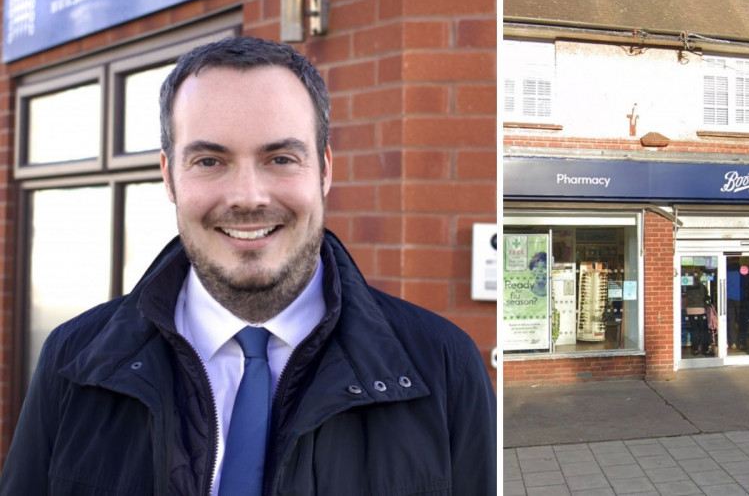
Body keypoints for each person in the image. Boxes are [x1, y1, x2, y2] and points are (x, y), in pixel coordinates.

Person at [0, 36, 497, 495]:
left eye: (280, 158)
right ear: (169, 176)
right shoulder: (72, 361)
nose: (247, 197)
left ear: (324, 170)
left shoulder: (444, 367)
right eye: (209, 161)